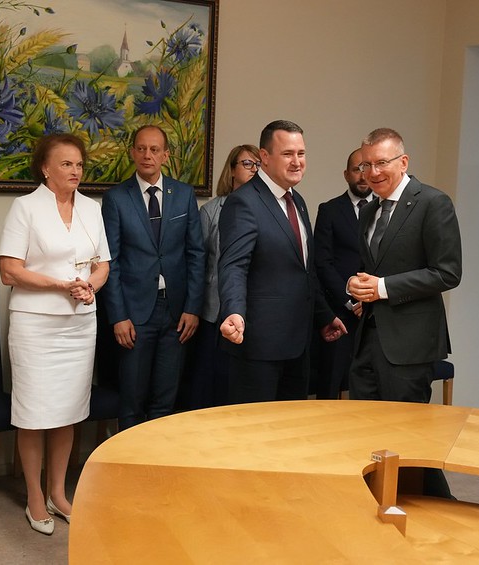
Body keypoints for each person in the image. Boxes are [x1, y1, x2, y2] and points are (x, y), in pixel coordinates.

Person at [0, 133, 110, 535]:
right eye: (66, 164)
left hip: (79, 325)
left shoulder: (92, 209)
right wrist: (61, 285)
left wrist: (90, 286)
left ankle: (57, 494)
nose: (75, 171)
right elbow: (9, 270)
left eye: (79, 164)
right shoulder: (25, 207)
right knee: (33, 414)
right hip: (36, 325)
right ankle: (34, 496)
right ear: (45, 168)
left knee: (68, 411)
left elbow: (102, 265)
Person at [218, 120, 347, 403]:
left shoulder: (297, 200)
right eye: (288, 154)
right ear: (264, 157)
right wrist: (234, 311)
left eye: (301, 153)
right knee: (257, 427)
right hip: (258, 348)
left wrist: (324, 316)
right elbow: (233, 266)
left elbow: (304, 271)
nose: (297, 162)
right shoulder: (243, 202)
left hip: (298, 346)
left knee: (292, 426)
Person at [101, 124, 205, 430]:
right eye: (142, 148)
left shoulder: (183, 194)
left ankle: (158, 459)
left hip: (176, 312)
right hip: (134, 314)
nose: (148, 155)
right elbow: (111, 261)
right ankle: (127, 460)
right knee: (132, 400)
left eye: (155, 149)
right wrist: (118, 316)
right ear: (132, 153)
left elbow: (196, 254)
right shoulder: (116, 198)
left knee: (165, 400)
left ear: (166, 155)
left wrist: (193, 308)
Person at [348, 128, 462, 403]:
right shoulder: (368, 210)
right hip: (366, 341)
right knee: (361, 423)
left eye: (381, 162)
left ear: (403, 162)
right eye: (366, 165)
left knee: (404, 426)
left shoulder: (433, 203)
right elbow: (374, 267)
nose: (373, 172)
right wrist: (356, 285)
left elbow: (447, 273)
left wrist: (382, 288)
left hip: (410, 346)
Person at [186, 144, 261, 409]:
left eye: (258, 165)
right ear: (231, 170)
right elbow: (198, 262)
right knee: (211, 383)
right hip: (214, 310)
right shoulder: (211, 211)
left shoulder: (267, 208)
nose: (254, 170)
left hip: (254, 311)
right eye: (248, 164)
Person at [312, 149, 373, 399]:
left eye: (366, 168)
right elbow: (322, 263)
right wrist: (351, 300)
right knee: (331, 384)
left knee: (372, 386)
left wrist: (370, 299)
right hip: (340, 312)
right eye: (357, 169)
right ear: (346, 174)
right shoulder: (330, 210)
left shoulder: (386, 210)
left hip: (377, 312)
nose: (363, 175)